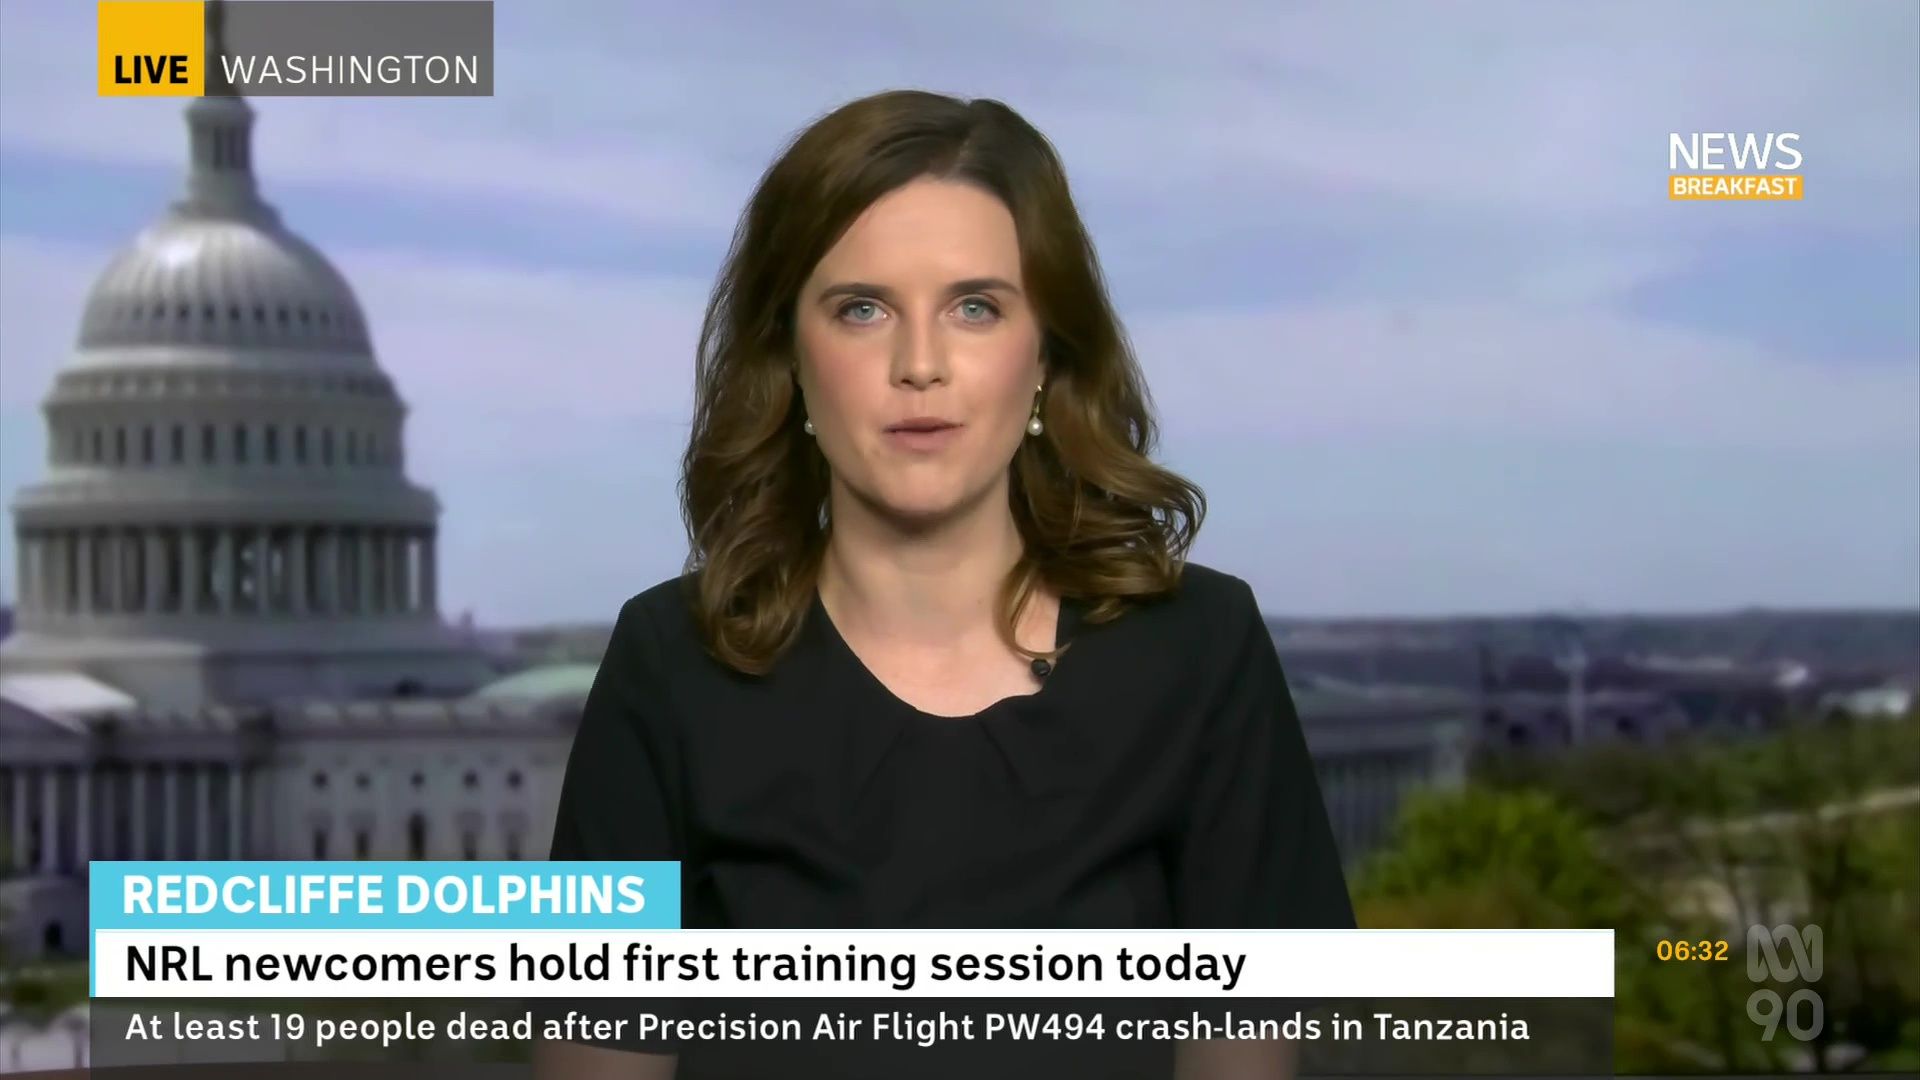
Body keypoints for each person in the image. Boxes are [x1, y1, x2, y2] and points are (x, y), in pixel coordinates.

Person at [534, 88, 1353, 1080]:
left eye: (975, 307)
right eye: (862, 309)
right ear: (789, 359)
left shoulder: (1201, 649)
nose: (919, 364)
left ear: (1045, 354)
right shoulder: (672, 663)